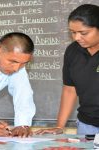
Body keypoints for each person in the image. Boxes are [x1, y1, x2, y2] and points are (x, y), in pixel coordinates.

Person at [35, 4, 99, 135]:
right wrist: (59, 126)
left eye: (83, 33)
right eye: (73, 32)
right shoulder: (73, 51)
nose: (76, 38)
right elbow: (70, 89)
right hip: (87, 125)